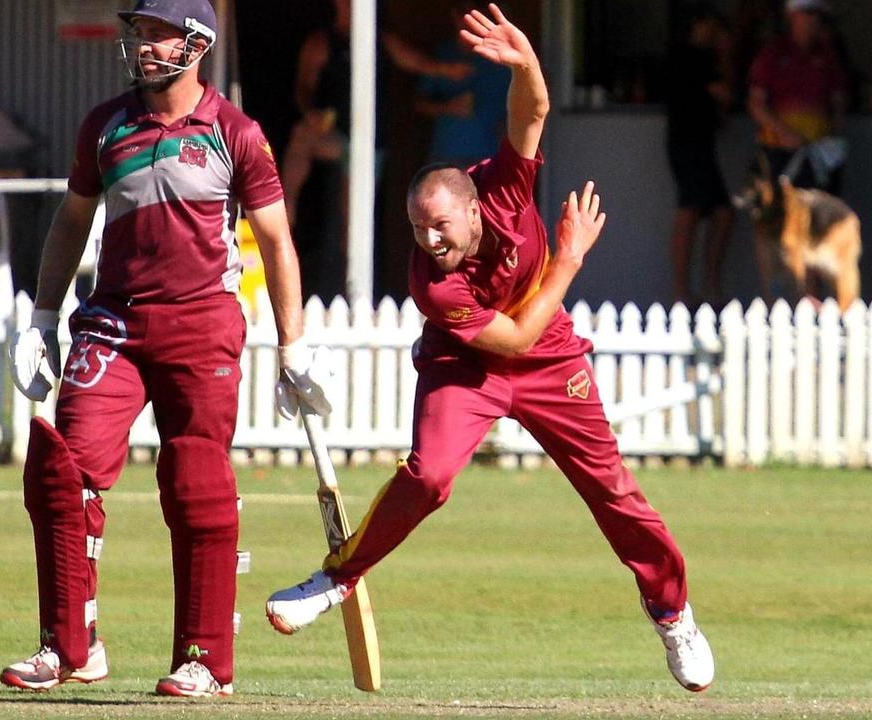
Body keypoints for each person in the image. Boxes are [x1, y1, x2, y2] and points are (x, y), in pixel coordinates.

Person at [264, 4, 714, 693]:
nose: (429, 240)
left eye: (439, 225)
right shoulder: (432, 286)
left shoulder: (504, 186)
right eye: (417, 228)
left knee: (612, 490)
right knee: (430, 476)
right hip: (469, 360)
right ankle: (335, 580)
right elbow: (511, 337)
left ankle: (671, 611)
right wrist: (568, 261)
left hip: (550, 361)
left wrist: (527, 61)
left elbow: (530, 112)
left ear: (473, 210)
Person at [0, 0, 331, 698]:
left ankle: (205, 660)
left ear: (196, 42)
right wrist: (42, 315)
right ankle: (69, 647)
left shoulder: (234, 132)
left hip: (202, 322)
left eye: (155, 33)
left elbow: (276, 242)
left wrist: (292, 346)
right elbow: (71, 223)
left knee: (196, 482)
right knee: (63, 470)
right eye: (137, 33)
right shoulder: (105, 125)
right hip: (114, 320)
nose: (141, 46)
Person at [281, 0, 472, 226]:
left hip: (368, 142)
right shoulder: (321, 43)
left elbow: (415, 61)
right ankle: (284, 218)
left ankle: (350, 257)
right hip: (335, 134)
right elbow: (303, 88)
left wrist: (447, 71)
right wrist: (310, 113)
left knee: (351, 223)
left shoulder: (380, 40)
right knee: (301, 136)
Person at [746, 0, 847, 301]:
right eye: (810, 14)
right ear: (793, 16)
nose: (815, 22)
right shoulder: (772, 54)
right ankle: (774, 297)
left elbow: (838, 103)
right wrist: (785, 133)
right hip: (777, 154)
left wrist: (834, 139)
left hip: (817, 157)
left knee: (816, 221)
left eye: (820, 16)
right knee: (772, 224)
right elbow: (756, 104)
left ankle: (810, 295)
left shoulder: (827, 56)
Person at [664, 3, 733, 308]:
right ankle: (683, 291)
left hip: (701, 142)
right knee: (690, 211)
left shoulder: (695, 57)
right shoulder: (691, 57)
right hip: (687, 142)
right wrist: (726, 54)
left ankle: (708, 286)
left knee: (722, 212)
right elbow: (725, 92)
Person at [415, 1, 510, 168]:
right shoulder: (442, 55)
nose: (467, 20)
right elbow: (419, 103)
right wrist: (447, 107)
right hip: (446, 154)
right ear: (455, 16)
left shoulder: (500, 58)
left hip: (490, 157)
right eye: (463, 14)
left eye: (474, 14)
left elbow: (526, 101)